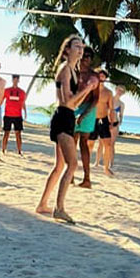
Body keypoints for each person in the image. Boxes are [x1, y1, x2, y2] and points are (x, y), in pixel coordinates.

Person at [35, 35, 100, 223]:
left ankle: (43, 204)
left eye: (82, 46)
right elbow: (66, 101)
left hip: (68, 117)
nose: (80, 49)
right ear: (67, 50)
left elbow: (75, 101)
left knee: (60, 166)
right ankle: (59, 208)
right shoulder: (65, 70)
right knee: (72, 164)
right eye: (76, 46)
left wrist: (86, 91)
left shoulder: (73, 71)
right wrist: (87, 89)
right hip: (62, 118)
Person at [73, 46, 99, 187]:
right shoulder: (73, 73)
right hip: (73, 107)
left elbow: (96, 99)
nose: (86, 59)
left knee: (83, 142)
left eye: (89, 56)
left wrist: (84, 114)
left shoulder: (93, 76)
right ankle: (70, 174)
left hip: (88, 108)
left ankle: (87, 178)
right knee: (71, 142)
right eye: (84, 55)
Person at [92, 70, 117, 176]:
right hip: (92, 119)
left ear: (105, 78)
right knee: (89, 144)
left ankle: (106, 168)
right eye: (100, 75)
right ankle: (86, 167)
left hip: (103, 119)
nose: (101, 77)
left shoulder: (108, 92)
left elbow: (111, 109)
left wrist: (112, 122)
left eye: (103, 76)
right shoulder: (91, 89)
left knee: (107, 144)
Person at [97, 83, 125, 172]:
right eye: (119, 90)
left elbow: (121, 115)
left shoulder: (121, 104)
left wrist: (118, 124)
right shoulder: (109, 97)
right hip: (105, 121)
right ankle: (97, 162)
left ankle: (110, 163)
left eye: (122, 91)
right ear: (116, 89)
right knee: (101, 143)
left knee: (111, 145)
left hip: (115, 124)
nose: (120, 92)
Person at [2, 74, 27, 155]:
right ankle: (3, 150)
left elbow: (23, 103)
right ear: (12, 80)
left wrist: (25, 112)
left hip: (18, 116)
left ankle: (19, 151)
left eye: (17, 80)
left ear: (19, 81)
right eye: (14, 79)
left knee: (18, 134)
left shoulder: (22, 92)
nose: (15, 81)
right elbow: (1, 100)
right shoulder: (6, 90)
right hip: (8, 115)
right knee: (6, 133)